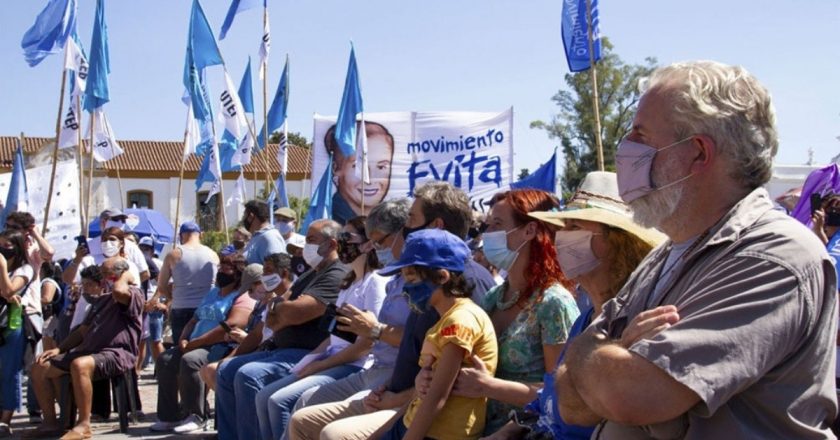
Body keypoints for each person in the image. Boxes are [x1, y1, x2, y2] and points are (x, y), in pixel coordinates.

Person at [556, 61, 838, 438]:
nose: (625, 149)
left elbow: (630, 395)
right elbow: (571, 405)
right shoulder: (664, 255)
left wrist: (584, 351)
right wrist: (609, 357)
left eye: (640, 135)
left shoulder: (775, 255)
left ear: (699, 154)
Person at [477, 172, 664, 439]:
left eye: (574, 227)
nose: (561, 237)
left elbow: (581, 411)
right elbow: (549, 399)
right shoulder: (585, 317)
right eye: (563, 226)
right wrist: (507, 432)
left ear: (618, 240)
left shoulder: (639, 319)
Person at [417, 188, 580, 434]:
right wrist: (427, 377)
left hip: (525, 432)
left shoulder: (554, 303)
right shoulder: (494, 297)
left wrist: (490, 387)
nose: (487, 233)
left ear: (530, 230)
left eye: (497, 223)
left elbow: (563, 394)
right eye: (488, 223)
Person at [214, 219, 350, 440]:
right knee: (225, 369)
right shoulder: (310, 273)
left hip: (307, 352)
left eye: (312, 240)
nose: (306, 246)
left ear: (332, 244)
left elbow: (292, 313)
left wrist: (280, 308)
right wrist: (281, 308)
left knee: (248, 375)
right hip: (279, 349)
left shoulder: (336, 273)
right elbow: (273, 316)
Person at [256, 216, 389, 439]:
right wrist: (311, 360)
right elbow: (334, 335)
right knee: (265, 397)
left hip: (354, 364)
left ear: (367, 244)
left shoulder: (374, 282)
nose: (342, 242)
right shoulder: (349, 282)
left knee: (282, 401)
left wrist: (320, 365)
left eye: (347, 237)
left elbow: (365, 345)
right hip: (333, 358)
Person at [376, 229, 498, 440]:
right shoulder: (444, 319)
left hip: (439, 434)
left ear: (442, 276)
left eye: (412, 279)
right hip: (414, 424)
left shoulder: (460, 321)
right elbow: (421, 396)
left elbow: (436, 398)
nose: (406, 289)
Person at [28, 259, 144, 440]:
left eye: (108, 275)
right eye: (103, 275)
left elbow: (120, 291)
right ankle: (53, 422)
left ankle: (84, 425)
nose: (104, 279)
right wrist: (59, 349)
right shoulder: (101, 301)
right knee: (39, 366)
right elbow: (82, 331)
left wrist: (125, 276)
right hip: (90, 351)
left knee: (80, 364)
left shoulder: (133, 294)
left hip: (116, 353)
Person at [151, 255, 256, 434]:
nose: (221, 271)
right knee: (165, 359)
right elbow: (194, 319)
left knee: (191, 360)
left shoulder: (241, 297)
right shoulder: (213, 293)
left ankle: (197, 415)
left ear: (238, 273)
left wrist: (197, 343)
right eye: (220, 267)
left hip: (219, 346)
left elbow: (230, 325)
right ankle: (169, 416)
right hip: (194, 341)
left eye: (226, 268)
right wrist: (184, 338)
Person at [200, 257, 289, 391]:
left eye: (252, 288)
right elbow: (255, 334)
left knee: (220, 370)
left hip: (268, 352)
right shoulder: (260, 303)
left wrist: (244, 339)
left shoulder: (280, 301)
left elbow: (265, 338)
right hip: (251, 348)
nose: (250, 292)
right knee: (212, 368)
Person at [404, 181, 497, 304]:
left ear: (437, 226)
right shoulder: (434, 277)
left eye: (412, 218)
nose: (407, 225)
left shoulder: (469, 283)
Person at [0, 229, 40, 437]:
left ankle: (6, 420)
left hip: (12, 325)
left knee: (9, 371)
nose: (2, 249)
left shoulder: (24, 269)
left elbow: (9, 291)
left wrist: (1, 266)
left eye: (6, 245)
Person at [152, 221, 218, 343]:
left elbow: (161, 286)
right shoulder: (213, 254)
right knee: (203, 346)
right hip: (207, 307)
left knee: (180, 349)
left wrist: (172, 298)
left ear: (181, 235)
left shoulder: (174, 254)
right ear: (201, 235)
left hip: (181, 307)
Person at [325, 121, 396, 224]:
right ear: (335, 169)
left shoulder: (390, 223)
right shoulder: (329, 218)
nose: (369, 179)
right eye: (359, 166)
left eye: (381, 167)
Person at [242, 200, 288, 265]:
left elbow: (276, 268)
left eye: (244, 215)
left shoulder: (270, 236)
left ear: (251, 216)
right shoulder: (257, 236)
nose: (243, 219)